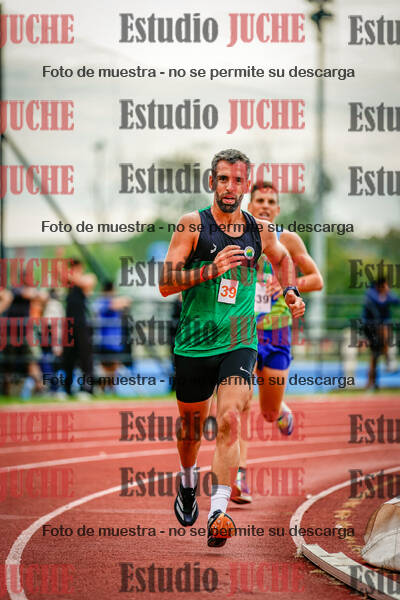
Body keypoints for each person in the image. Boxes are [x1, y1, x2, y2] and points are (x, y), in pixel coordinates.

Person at [159, 149, 305, 547]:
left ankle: (218, 512)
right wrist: (211, 269)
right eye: (223, 179)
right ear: (212, 182)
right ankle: (187, 482)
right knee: (191, 429)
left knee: (229, 420)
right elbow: (166, 283)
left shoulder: (261, 230)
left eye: (238, 180)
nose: (230, 187)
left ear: (246, 184)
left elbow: (283, 260)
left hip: (240, 341)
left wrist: (291, 292)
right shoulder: (192, 225)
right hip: (194, 343)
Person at [230, 181, 323, 503]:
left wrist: (286, 285)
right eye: (260, 200)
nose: (265, 206)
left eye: (271, 202)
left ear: (278, 209)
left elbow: (317, 280)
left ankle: (279, 409)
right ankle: (239, 475)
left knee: (267, 412)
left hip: (278, 334)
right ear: (249, 205)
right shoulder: (236, 236)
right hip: (242, 331)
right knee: (240, 403)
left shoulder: (288, 239)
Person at [63, 259, 97, 398]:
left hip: (83, 323)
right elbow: (60, 276)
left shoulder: (88, 278)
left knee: (85, 358)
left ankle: (87, 389)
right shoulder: (70, 283)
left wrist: (70, 274)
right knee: (68, 357)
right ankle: (67, 389)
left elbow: (84, 282)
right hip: (69, 324)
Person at [362, 277, 399, 390]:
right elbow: (379, 302)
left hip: (381, 329)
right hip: (370, 328)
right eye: (385, 285)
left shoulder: (385, 293)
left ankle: (372, 382)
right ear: (379, 286)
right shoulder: (371, 293)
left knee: (375, 355)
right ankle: (388, 359)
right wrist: (385, 295)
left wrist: (386, 294)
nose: (388, 288)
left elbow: (396, 301)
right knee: (375, 353)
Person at [93, 281, 132, 392]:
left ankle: (111, 389)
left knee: (113, 368)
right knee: (105, 368)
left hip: (114, 342)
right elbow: (116, 304)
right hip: (105, 341)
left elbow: (127, 301)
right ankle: (103, 389)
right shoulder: (103, 301)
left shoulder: (107, 301)